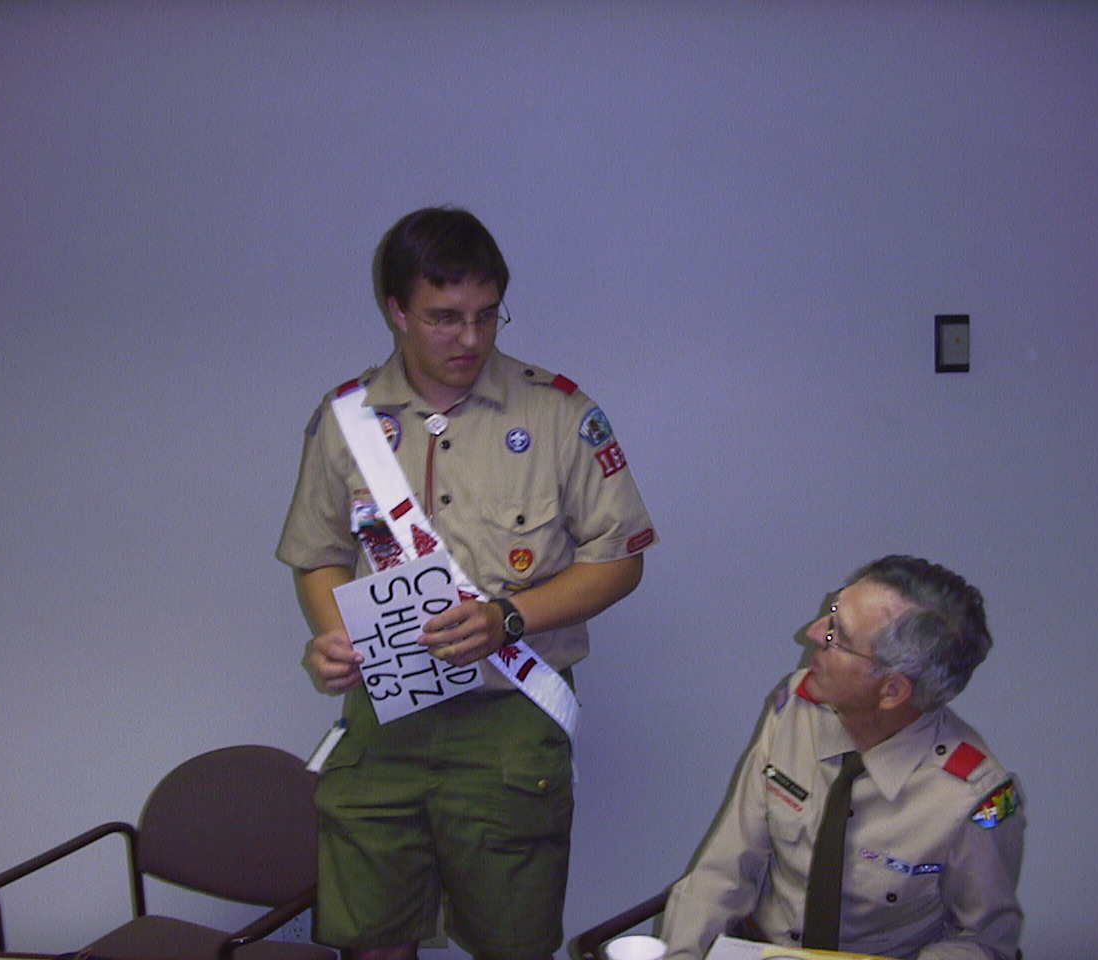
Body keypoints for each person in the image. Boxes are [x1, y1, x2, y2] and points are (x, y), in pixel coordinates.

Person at [277, 206, 657, 960]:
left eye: (487, 315)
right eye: (445, 318)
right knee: (371, 936)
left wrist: (506, 619)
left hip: (510, 712)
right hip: (385, 715)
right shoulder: (347, 419)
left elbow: (620, 560)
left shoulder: (558, 413)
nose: (471, 339)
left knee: (511, 944)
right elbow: (318, 554)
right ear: (398, 311)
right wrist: (336, 635)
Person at [660, 555, 1025, 960]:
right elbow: (724, 871)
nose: (813, 631)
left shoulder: (972, 797)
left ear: (892, 691)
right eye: (832, 611)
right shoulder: (797, 707)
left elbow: (982, 942)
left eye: (838, 634)